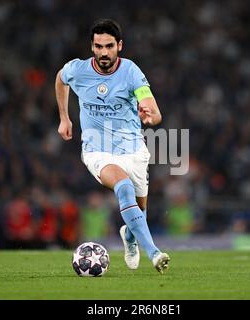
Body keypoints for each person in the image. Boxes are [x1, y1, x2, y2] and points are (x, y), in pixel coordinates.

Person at [55, 19, 170, 273]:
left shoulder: (131, 72)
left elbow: (154, 110)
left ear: (119, 45)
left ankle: (129, 237)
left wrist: (150, 115)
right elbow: (60, 79)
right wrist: (64, 117)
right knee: (124, 187)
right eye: (98, 46)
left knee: (140, 214)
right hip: (97, 150)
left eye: (109, 46)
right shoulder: (78, 70)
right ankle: (154, 253)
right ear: (92, 46)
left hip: (133, 149)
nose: (103, 52)